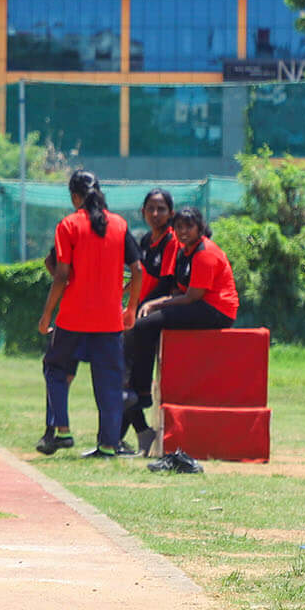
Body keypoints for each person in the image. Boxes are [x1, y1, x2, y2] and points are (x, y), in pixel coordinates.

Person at [37, 170, 141, 459]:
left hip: (72, 318)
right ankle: (108, 446)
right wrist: (130, 306)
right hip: (109, 320)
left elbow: (60, 273)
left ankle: (62, 430)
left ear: (74, 196)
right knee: (108, 382)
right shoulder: (119, 224)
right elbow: (138, 270)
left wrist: (47, 316)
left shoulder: (69, 225)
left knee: (56, 370)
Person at [132, 205, 240, 474]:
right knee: (146, 324)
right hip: (201, 305)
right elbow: (175, 286)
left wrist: (157, 305)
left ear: (200, 228)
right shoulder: (183, 251)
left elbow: (193, 296)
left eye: (188, 226)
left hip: (217, 310)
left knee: (147, 325)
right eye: (179, 226)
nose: (182, 231)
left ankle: (142, 389)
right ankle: (141, 389)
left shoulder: (204, 253)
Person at [118, 188, 180, 455]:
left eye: (161, 209)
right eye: (151, 209)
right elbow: (140, 278)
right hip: (138, 314)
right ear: (143, 212)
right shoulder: (145, 241)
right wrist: (123, 294)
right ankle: (132, 435)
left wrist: (139, 308)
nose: (155, 214)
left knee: (127, 382)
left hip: (152, 319)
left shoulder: (172, 241)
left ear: (171, 213)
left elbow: (166, 284)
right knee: (121, 379)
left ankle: (120, 437)